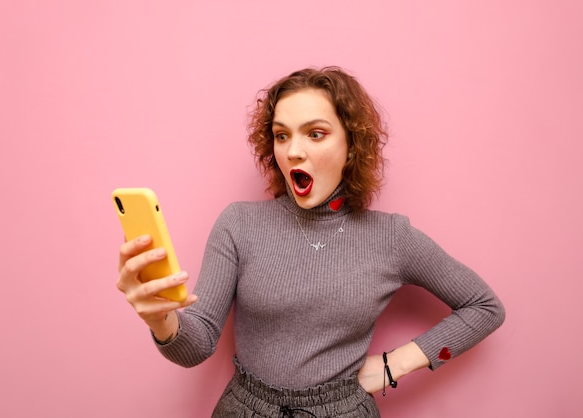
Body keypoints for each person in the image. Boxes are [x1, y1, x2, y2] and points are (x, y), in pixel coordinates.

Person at [116, 67, 506, 417]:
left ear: (351, 145)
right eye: (281, 135)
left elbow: (485, 307)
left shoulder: (392, 238)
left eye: (315, 134)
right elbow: (196, 345)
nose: (293, 151)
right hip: (243, 409)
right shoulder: (239, 224)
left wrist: (394, 366)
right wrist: (160, 319)